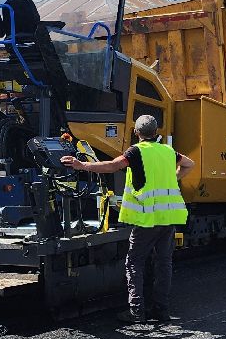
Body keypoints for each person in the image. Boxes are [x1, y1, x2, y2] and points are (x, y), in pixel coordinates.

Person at [61, 114, 194, 325]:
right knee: (164, 264)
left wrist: (81, 165)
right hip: (168, 218)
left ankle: (136, 311)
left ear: (136, 132)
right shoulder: (169, 151)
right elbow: (189, 164)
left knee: (134, 262)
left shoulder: (135, 151)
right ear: (157, 132)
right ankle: (161, 310)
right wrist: (173, 177)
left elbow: (113, 166)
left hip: (146, 219)